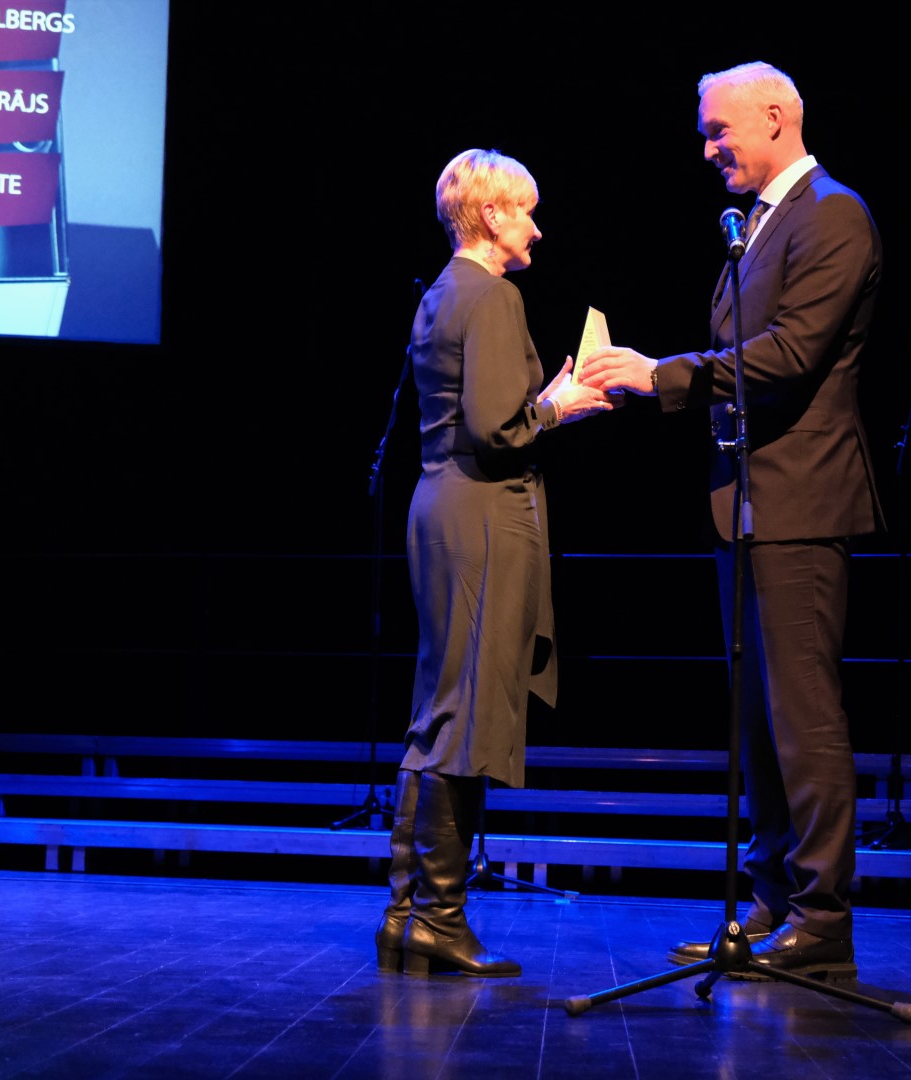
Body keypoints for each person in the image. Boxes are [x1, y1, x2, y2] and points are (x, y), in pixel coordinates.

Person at [578, 62, 883, 980]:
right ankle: (772, 900)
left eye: (719, 129)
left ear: (777, 116)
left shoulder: (833, 214)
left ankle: (822, 921)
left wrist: (660, 375)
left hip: (801, 501)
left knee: (802, 716)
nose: (708, 148)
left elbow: (787, 356)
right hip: (746, 502)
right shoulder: (756, 227)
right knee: (758, 720)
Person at [376, 148, 610, 978]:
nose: (537, 229)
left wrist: (537, 404)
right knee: (464, 715)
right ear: (490, 214)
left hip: (443, 504)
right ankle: (436, 916)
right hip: (480, 515)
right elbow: (499, 429)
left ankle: (410, 917)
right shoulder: (493, 294)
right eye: (527, 212)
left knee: (442, 711)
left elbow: (477, 415)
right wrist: (561, 407)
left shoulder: (445, 292)